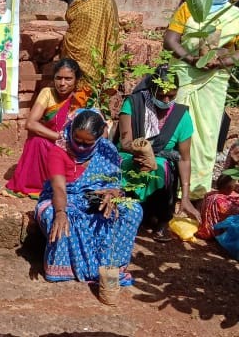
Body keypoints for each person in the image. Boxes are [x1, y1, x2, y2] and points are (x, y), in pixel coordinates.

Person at [35, 109, 142, 286]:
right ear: (71, 131)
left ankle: (111, 267)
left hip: (95, 198)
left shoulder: (107, 150)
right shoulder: (58, 151)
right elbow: (59, 188)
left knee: (132, 210)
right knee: (58, 216)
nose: (81, 147)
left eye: (88, 144)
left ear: (99, 139)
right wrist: (60, 212)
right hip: (64, 198)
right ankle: (67, 268)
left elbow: (115, 184)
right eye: (77, 141)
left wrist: (112, 194)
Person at [163, 0, 239, 200]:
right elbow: (170, 39)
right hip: (184, 75)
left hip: (214, 80)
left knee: (205, 135)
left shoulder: (236, 15)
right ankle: (168, 188)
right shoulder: (189, 8)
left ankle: (196, 192)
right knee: (176, 130)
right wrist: (192, 59)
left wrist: (220, 61)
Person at [17, 0, 119, 106]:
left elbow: (112, 35)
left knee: (85, 103)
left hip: (92, 63)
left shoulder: (104, 0)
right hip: (70, 55)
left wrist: (110, 72)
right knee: (65, 97)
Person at [116, 70, 199, 241]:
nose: (166, 100)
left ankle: (162, 219)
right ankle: (123, 212)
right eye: (161, 95)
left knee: (162, 168)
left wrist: (185, 197)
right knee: (124, 164)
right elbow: (125, 142)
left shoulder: (181, 116)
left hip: (161, 160)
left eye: (171, 95)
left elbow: (184, 158)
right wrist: (143, 152)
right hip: (131, 154)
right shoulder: (133, 104)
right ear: (151, 90)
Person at [6, 58, 82, 197]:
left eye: (68, 79)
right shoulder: (47, 93)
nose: (62, 83)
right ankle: (37, 185)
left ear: (76, 80)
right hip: (52, 143)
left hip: (73, 147)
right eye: (58, 78)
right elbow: (31, 123)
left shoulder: (82, 98)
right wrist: (60, 138)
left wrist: (70, 142)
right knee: (36, 142)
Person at [196, 173, 239, 240]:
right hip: (218, 231)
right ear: (229, 187)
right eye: (235, 183)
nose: (236, 184)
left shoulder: (210, 194)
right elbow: (230, 212)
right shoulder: (219, 201)